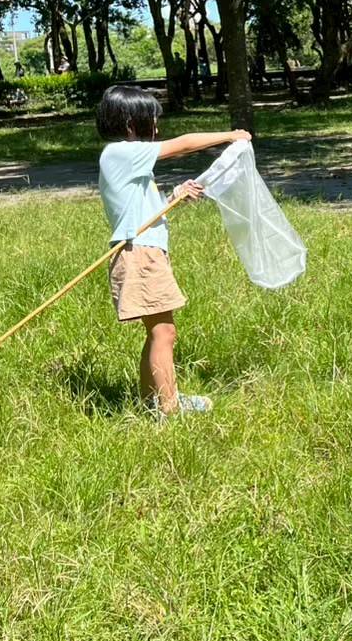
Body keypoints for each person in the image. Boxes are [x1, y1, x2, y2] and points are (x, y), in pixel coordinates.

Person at [95, 85, 248, 416]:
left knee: (157, 333)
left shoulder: (127, 160)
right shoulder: (120, 152)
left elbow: (140, 213)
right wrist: (231, 135)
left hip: (143, 249)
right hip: (140, 254)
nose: (157, 127)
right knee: (165, 332)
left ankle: (152, 402)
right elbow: (183, 144)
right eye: (151, 119)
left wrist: (173, 197)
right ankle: (169, 408)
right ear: (130, 124)